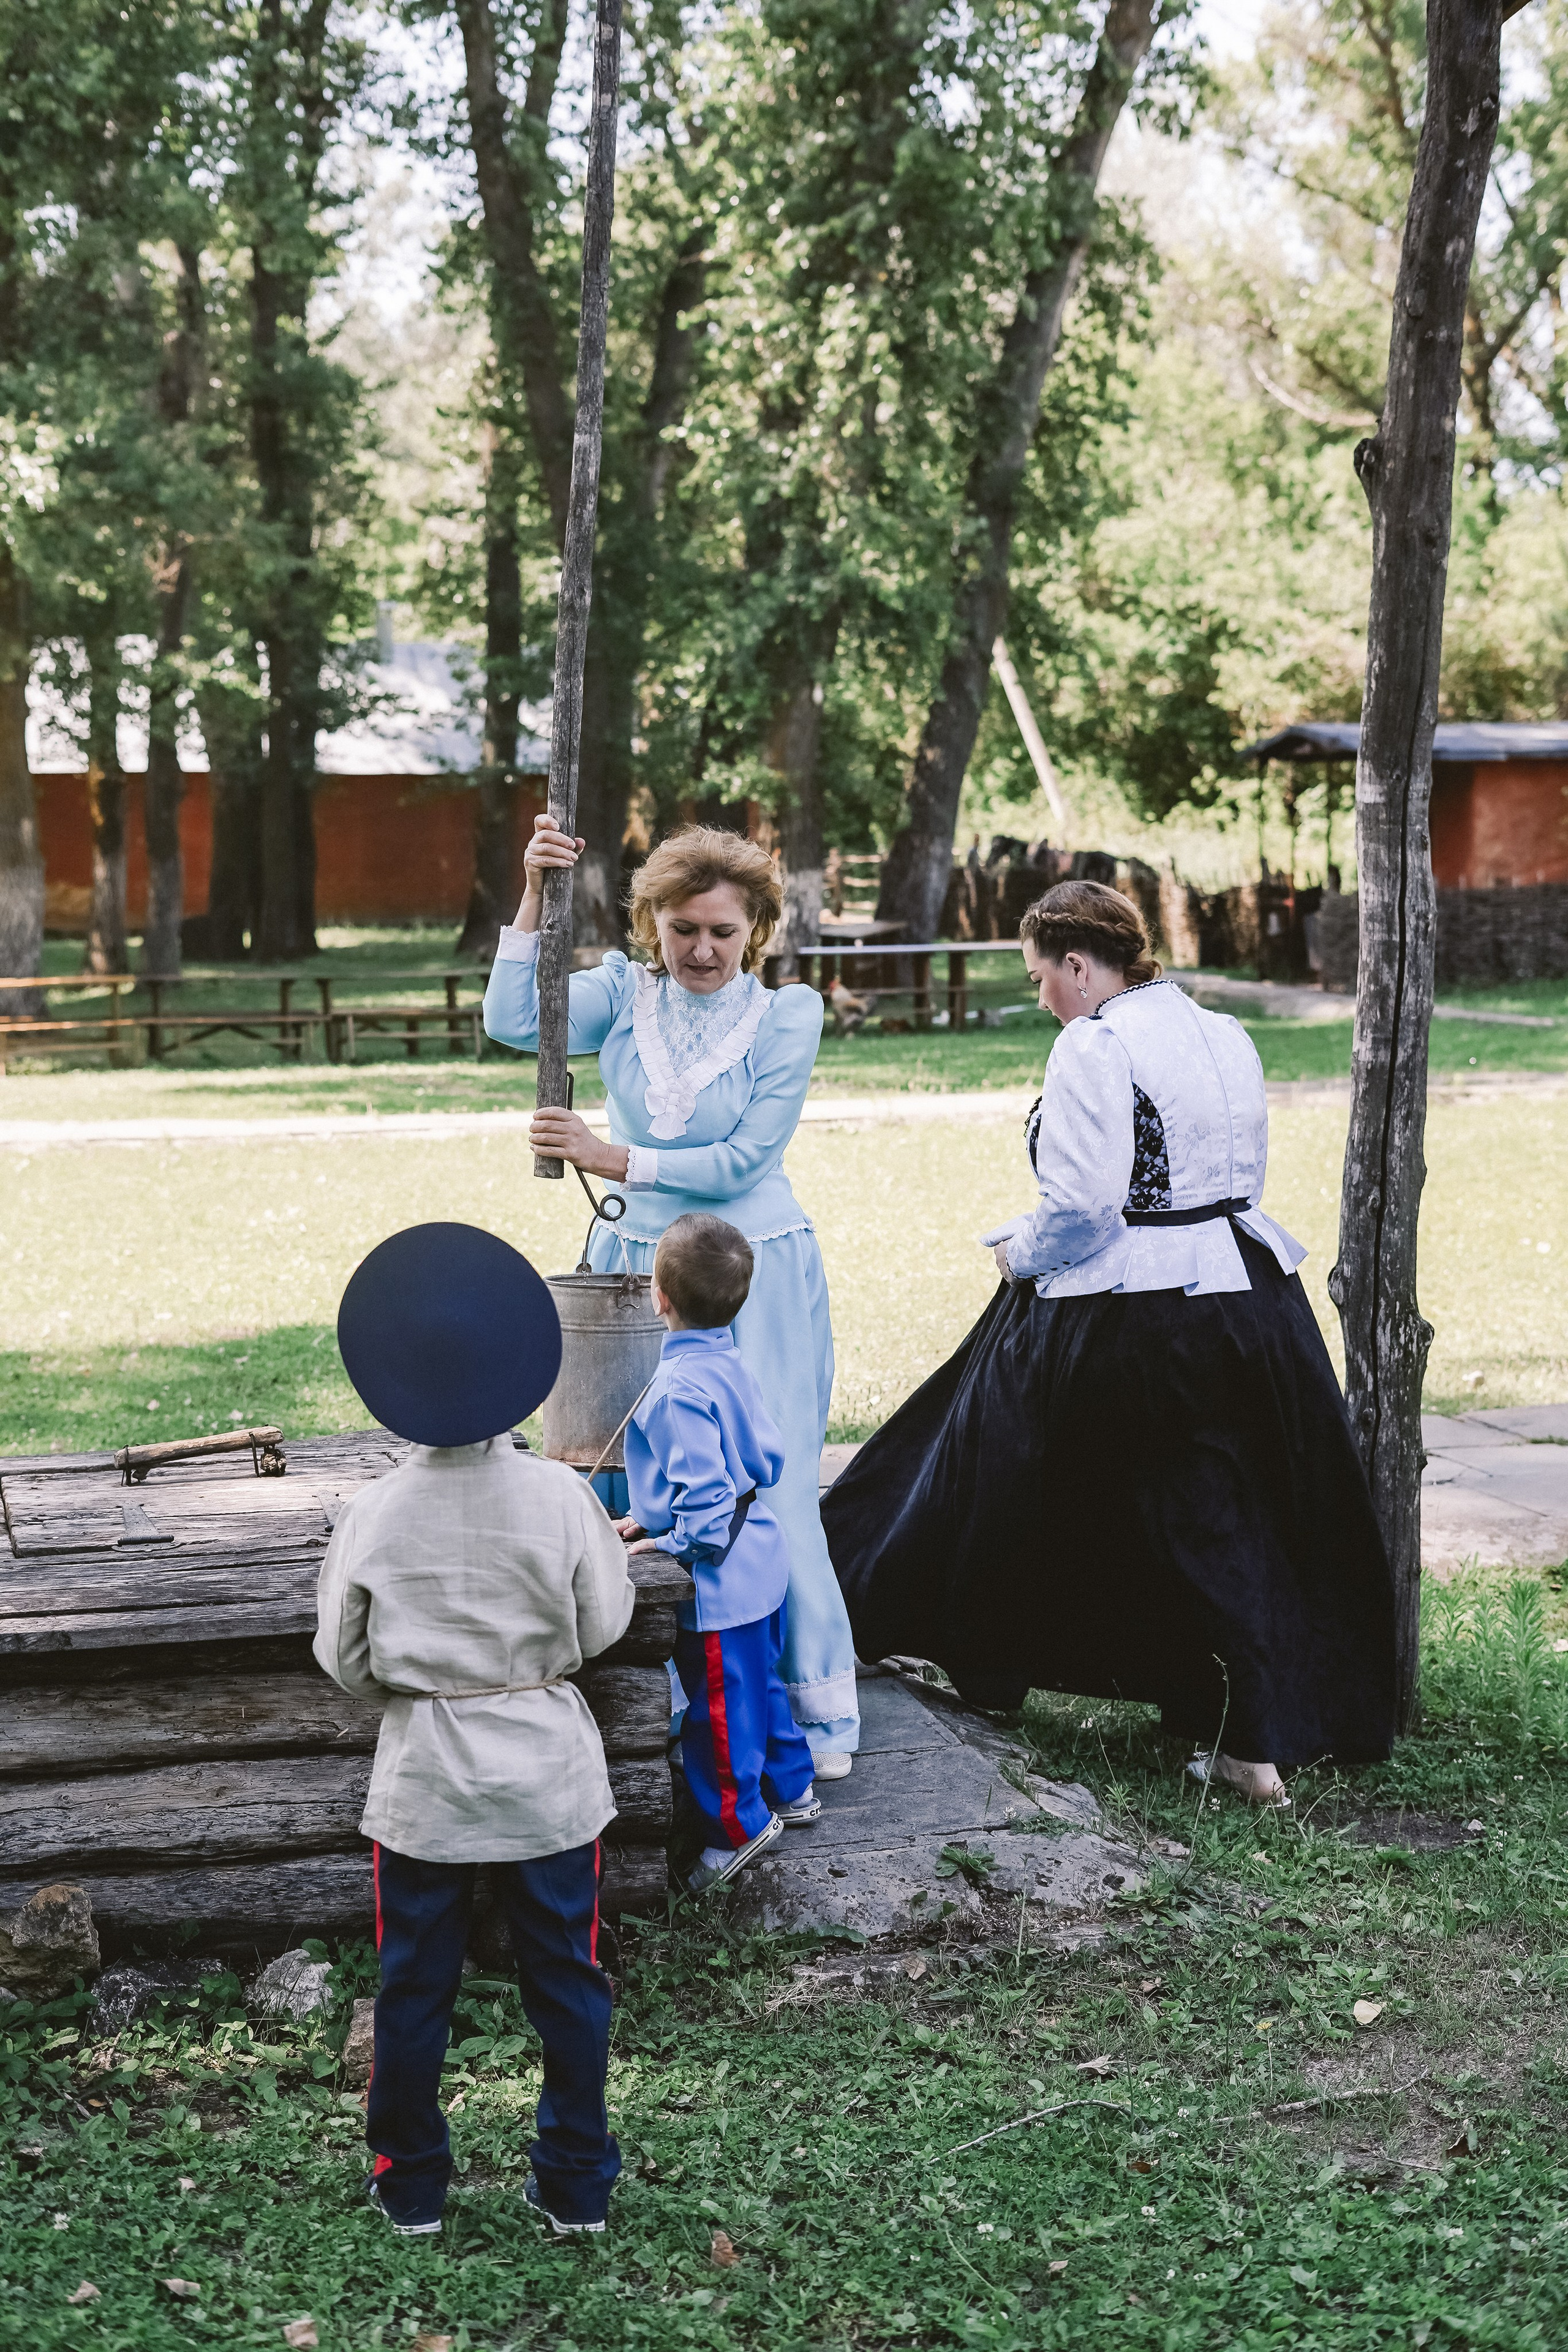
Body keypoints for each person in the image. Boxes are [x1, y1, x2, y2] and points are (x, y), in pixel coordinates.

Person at [822, 880, 1397, 1803]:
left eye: (1041, 976)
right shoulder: (1226, 1034)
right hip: (1252, 1300)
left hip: (1145, 1312)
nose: (1041, 997)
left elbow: (1087, 1209)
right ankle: (1246, 1730)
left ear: (1081, 967)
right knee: (1230, 1514)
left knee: (990, 1458)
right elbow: (1227, 1178)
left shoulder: (1094, 1044)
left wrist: (1016, 1253)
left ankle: (891, 1616)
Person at [483, 815, 860, 1777]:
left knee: (756, 1484)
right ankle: (652, 1700)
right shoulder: (621, 993)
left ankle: (793, 1719)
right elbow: (513, 1022)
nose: (700, 950)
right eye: (682, 928)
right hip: (632, 1267)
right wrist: (533, 888)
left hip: (749, 1266)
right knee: (622, 1476)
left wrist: (609, 1155)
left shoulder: (788, 1017)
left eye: (722, 933)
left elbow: (743, 1161)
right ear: (652, 924)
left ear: (757, 933)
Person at [315, 1220, 634, 2239]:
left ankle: (409, 2184)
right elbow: (603, 1626)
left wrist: (416, 1691)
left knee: (414, 1985)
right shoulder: (560, 1497)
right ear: (518, 1367)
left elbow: (344, 1657)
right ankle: (575, 2183)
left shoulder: (374, 1514)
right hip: (547, 1774)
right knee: (567, 1980)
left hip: (428, 1783)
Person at [617, 1211, 822, 1893]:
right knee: (761, 1684)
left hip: (719, 1578)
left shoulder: (678, 1389)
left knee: (719, 1711)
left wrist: (666, 1541)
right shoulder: (728, 1359)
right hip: (761, 1554)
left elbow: (703, 1514)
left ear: (660, 1296)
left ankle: (735, 1829)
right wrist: (646, 1521)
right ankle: (792, 1788)